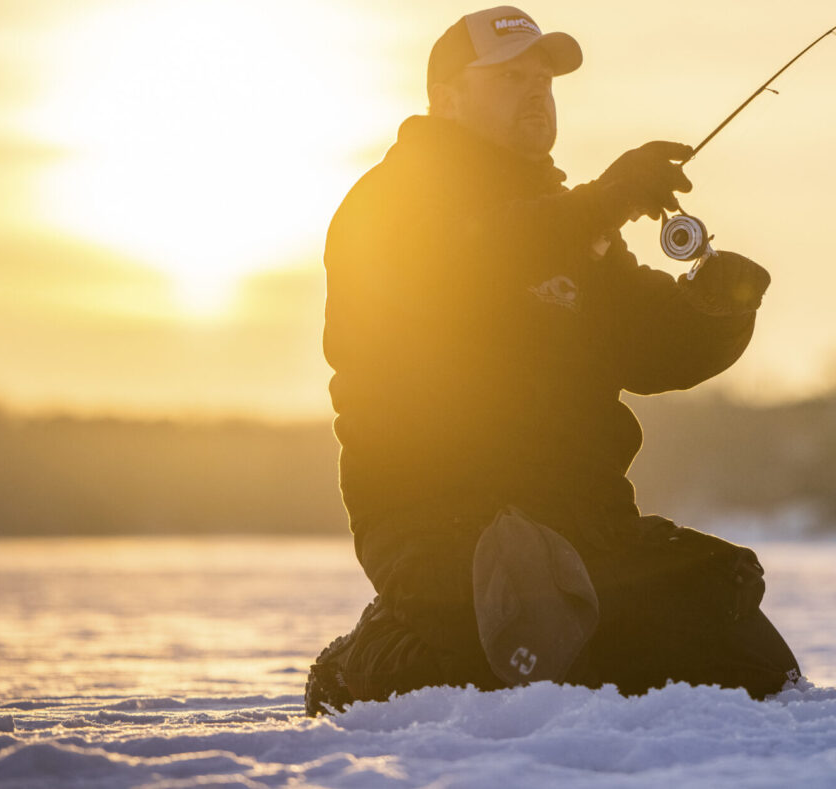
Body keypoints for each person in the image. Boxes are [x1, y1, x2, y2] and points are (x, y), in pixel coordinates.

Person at [306, 6, 800, 716]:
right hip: (444, 527)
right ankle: (367, 658)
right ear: (447, 98)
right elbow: (468, 261)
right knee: (524, 683)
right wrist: (602, 203)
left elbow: (648, 343)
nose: (535, 91)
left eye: (544, 78)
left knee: (756, 676)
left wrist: (719, 307)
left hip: (585, 523)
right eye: (510, 76)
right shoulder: (390, 205)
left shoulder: (568, 221)